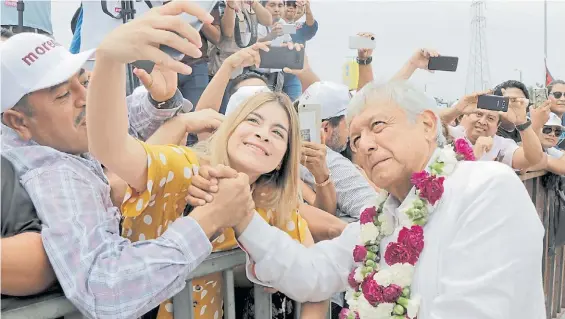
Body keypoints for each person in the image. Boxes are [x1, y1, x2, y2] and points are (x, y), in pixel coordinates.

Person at [1, 3, 252, 318]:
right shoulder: (51, 172)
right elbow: (104, 287)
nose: (85, 98)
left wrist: (158, 102)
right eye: (63, 95)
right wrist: (210, 219)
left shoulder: (47, 130)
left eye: (86, 81)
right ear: (18, 122)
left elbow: (106, 121)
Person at [223, 81, 545, 319]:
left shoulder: (486, 189)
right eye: (356, 139)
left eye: (377, 126)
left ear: (427, 124)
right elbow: (312, 272)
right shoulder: (378, 220)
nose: (366, 146)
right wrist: (244, 217)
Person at [86, 20, 328, 317]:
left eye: (278, 133)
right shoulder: (186, 168)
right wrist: (110, 59)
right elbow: (110, 148)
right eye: (252, 121)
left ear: (283, 158)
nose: (263, 134)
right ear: (228, 129)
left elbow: (316, 281)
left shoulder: (273, 205)